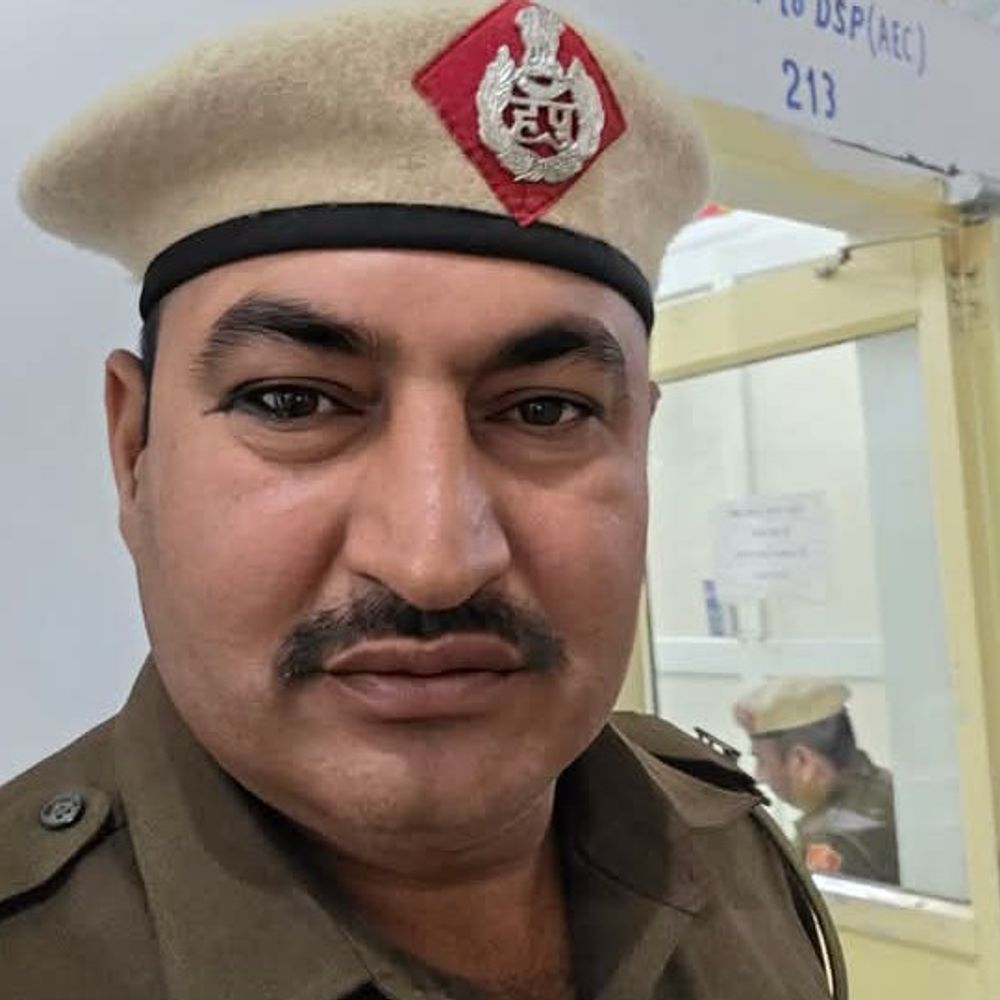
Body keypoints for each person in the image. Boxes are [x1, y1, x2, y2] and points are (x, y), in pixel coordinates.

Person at [1, 2, 845, 997]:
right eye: (294, 402)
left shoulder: (734, 853)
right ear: (133, 452)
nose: (435, 560)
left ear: (640, 448)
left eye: (545, 409)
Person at [735, 677, 899, 885]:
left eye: (762, 761)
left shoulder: (830, 840)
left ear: (802, 760)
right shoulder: (888, 787)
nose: (760, 776)